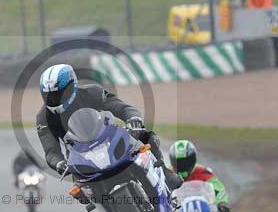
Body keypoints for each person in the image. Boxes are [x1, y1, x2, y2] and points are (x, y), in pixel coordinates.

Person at [36, 63, 183, 194]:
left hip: (108, 136)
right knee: (80, 193)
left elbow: (122, 108)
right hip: (78, 153)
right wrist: (60, 163)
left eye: (59, 94)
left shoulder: (92, 92)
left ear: (72, 85)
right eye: (49, 96)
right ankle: (108, 211)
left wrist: (133, 119)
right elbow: (51, 152)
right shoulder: (43, 118)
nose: (55, 99)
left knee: (145, 136)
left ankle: (164, 172)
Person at [168, 139, 231, 212]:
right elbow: (159, 191)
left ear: (193, 160)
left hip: (204, 210)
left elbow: (219, 189)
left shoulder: (203, 171)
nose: (182, 166)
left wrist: (222, 202)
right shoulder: (168, 173)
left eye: (186, 162)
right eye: (179, 163)